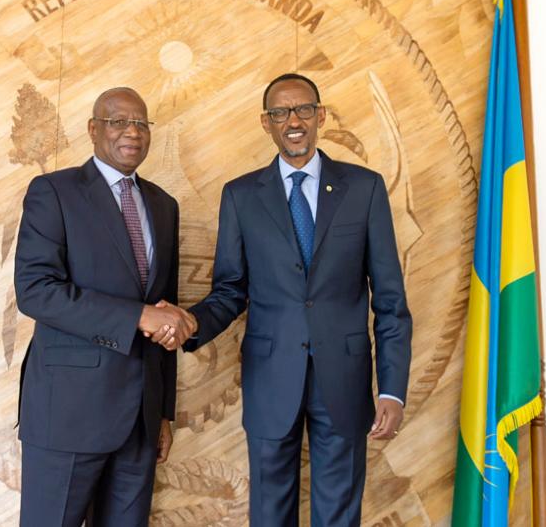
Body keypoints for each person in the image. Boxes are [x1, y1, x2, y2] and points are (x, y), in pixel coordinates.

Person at [152, 73, 412, 526]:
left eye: (304, 109)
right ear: (266, 123)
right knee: (270, 514)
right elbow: (231, 290)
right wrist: (191, 323)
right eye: (280, 112)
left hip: (345, 380)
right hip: (270, 381)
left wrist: (392, 389)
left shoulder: (364, 188)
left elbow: (390, 300)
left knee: (339, 516)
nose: (294, 121)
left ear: (320, 116)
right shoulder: (240, 196)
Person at [13, 87, 196, 526]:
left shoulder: (164, 205)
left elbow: (165, 310)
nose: (132, 131)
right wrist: (138, 316)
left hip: (140, 423)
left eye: (141, 123)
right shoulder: (54, 191)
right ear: (93, 130)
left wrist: (163, 412)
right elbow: (35, 290)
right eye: (118, 121)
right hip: (68, 413)